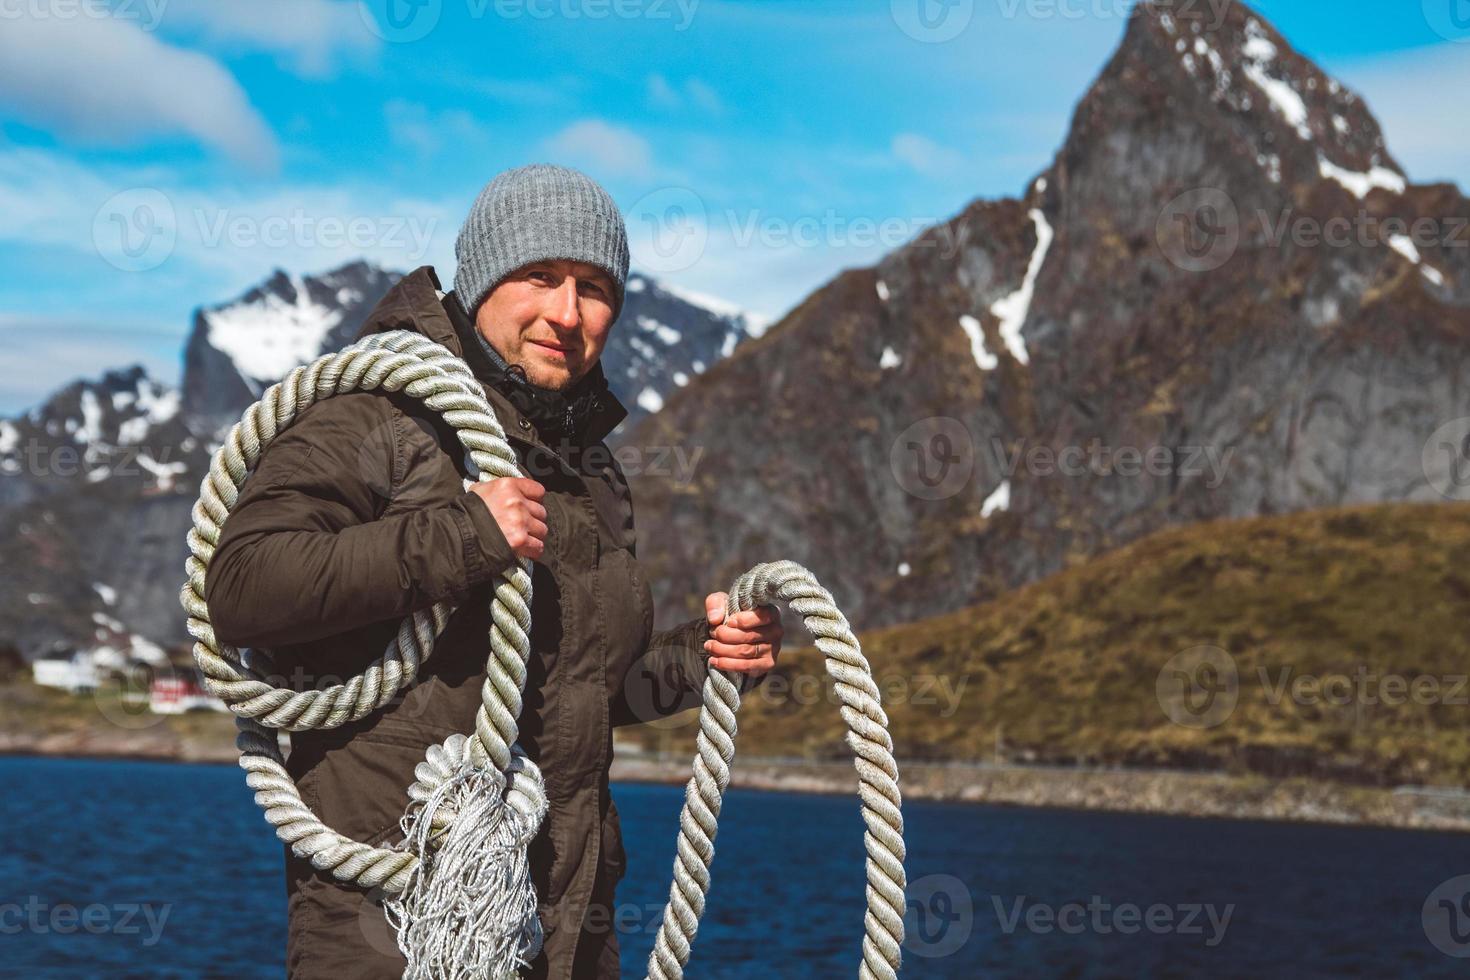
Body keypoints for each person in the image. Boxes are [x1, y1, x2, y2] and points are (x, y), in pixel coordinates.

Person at [205, 163, 783, 979]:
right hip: (398, 930)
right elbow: (244, 589)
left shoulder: (586, 469)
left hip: (564, 929)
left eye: (595, 288)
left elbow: (576, 690)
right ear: (481, 279)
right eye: (540, 276)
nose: (567, 313)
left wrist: (705, 660)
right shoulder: (379, 410)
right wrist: (468, 536)